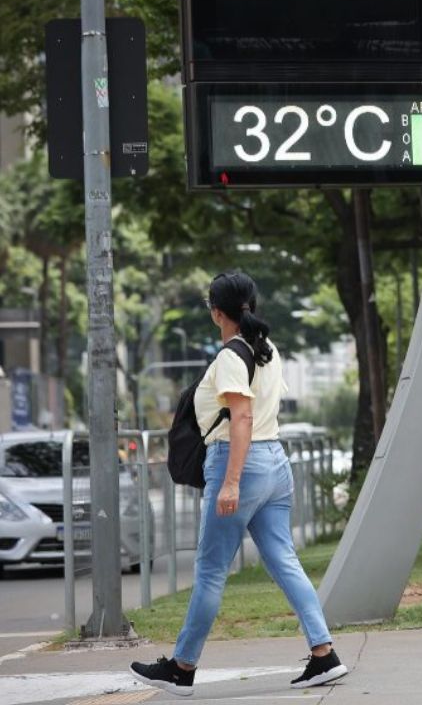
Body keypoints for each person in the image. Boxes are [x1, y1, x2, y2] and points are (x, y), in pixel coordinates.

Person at [131, 272, 348, 696]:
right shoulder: (268, 350)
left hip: (240, 465)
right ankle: (324, 654)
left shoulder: (232, 356)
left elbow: (241, 418)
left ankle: (181, 667)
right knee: (284, 559)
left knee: (211, 572)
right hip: (274, 464)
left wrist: (230, 482)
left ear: (216, 313)